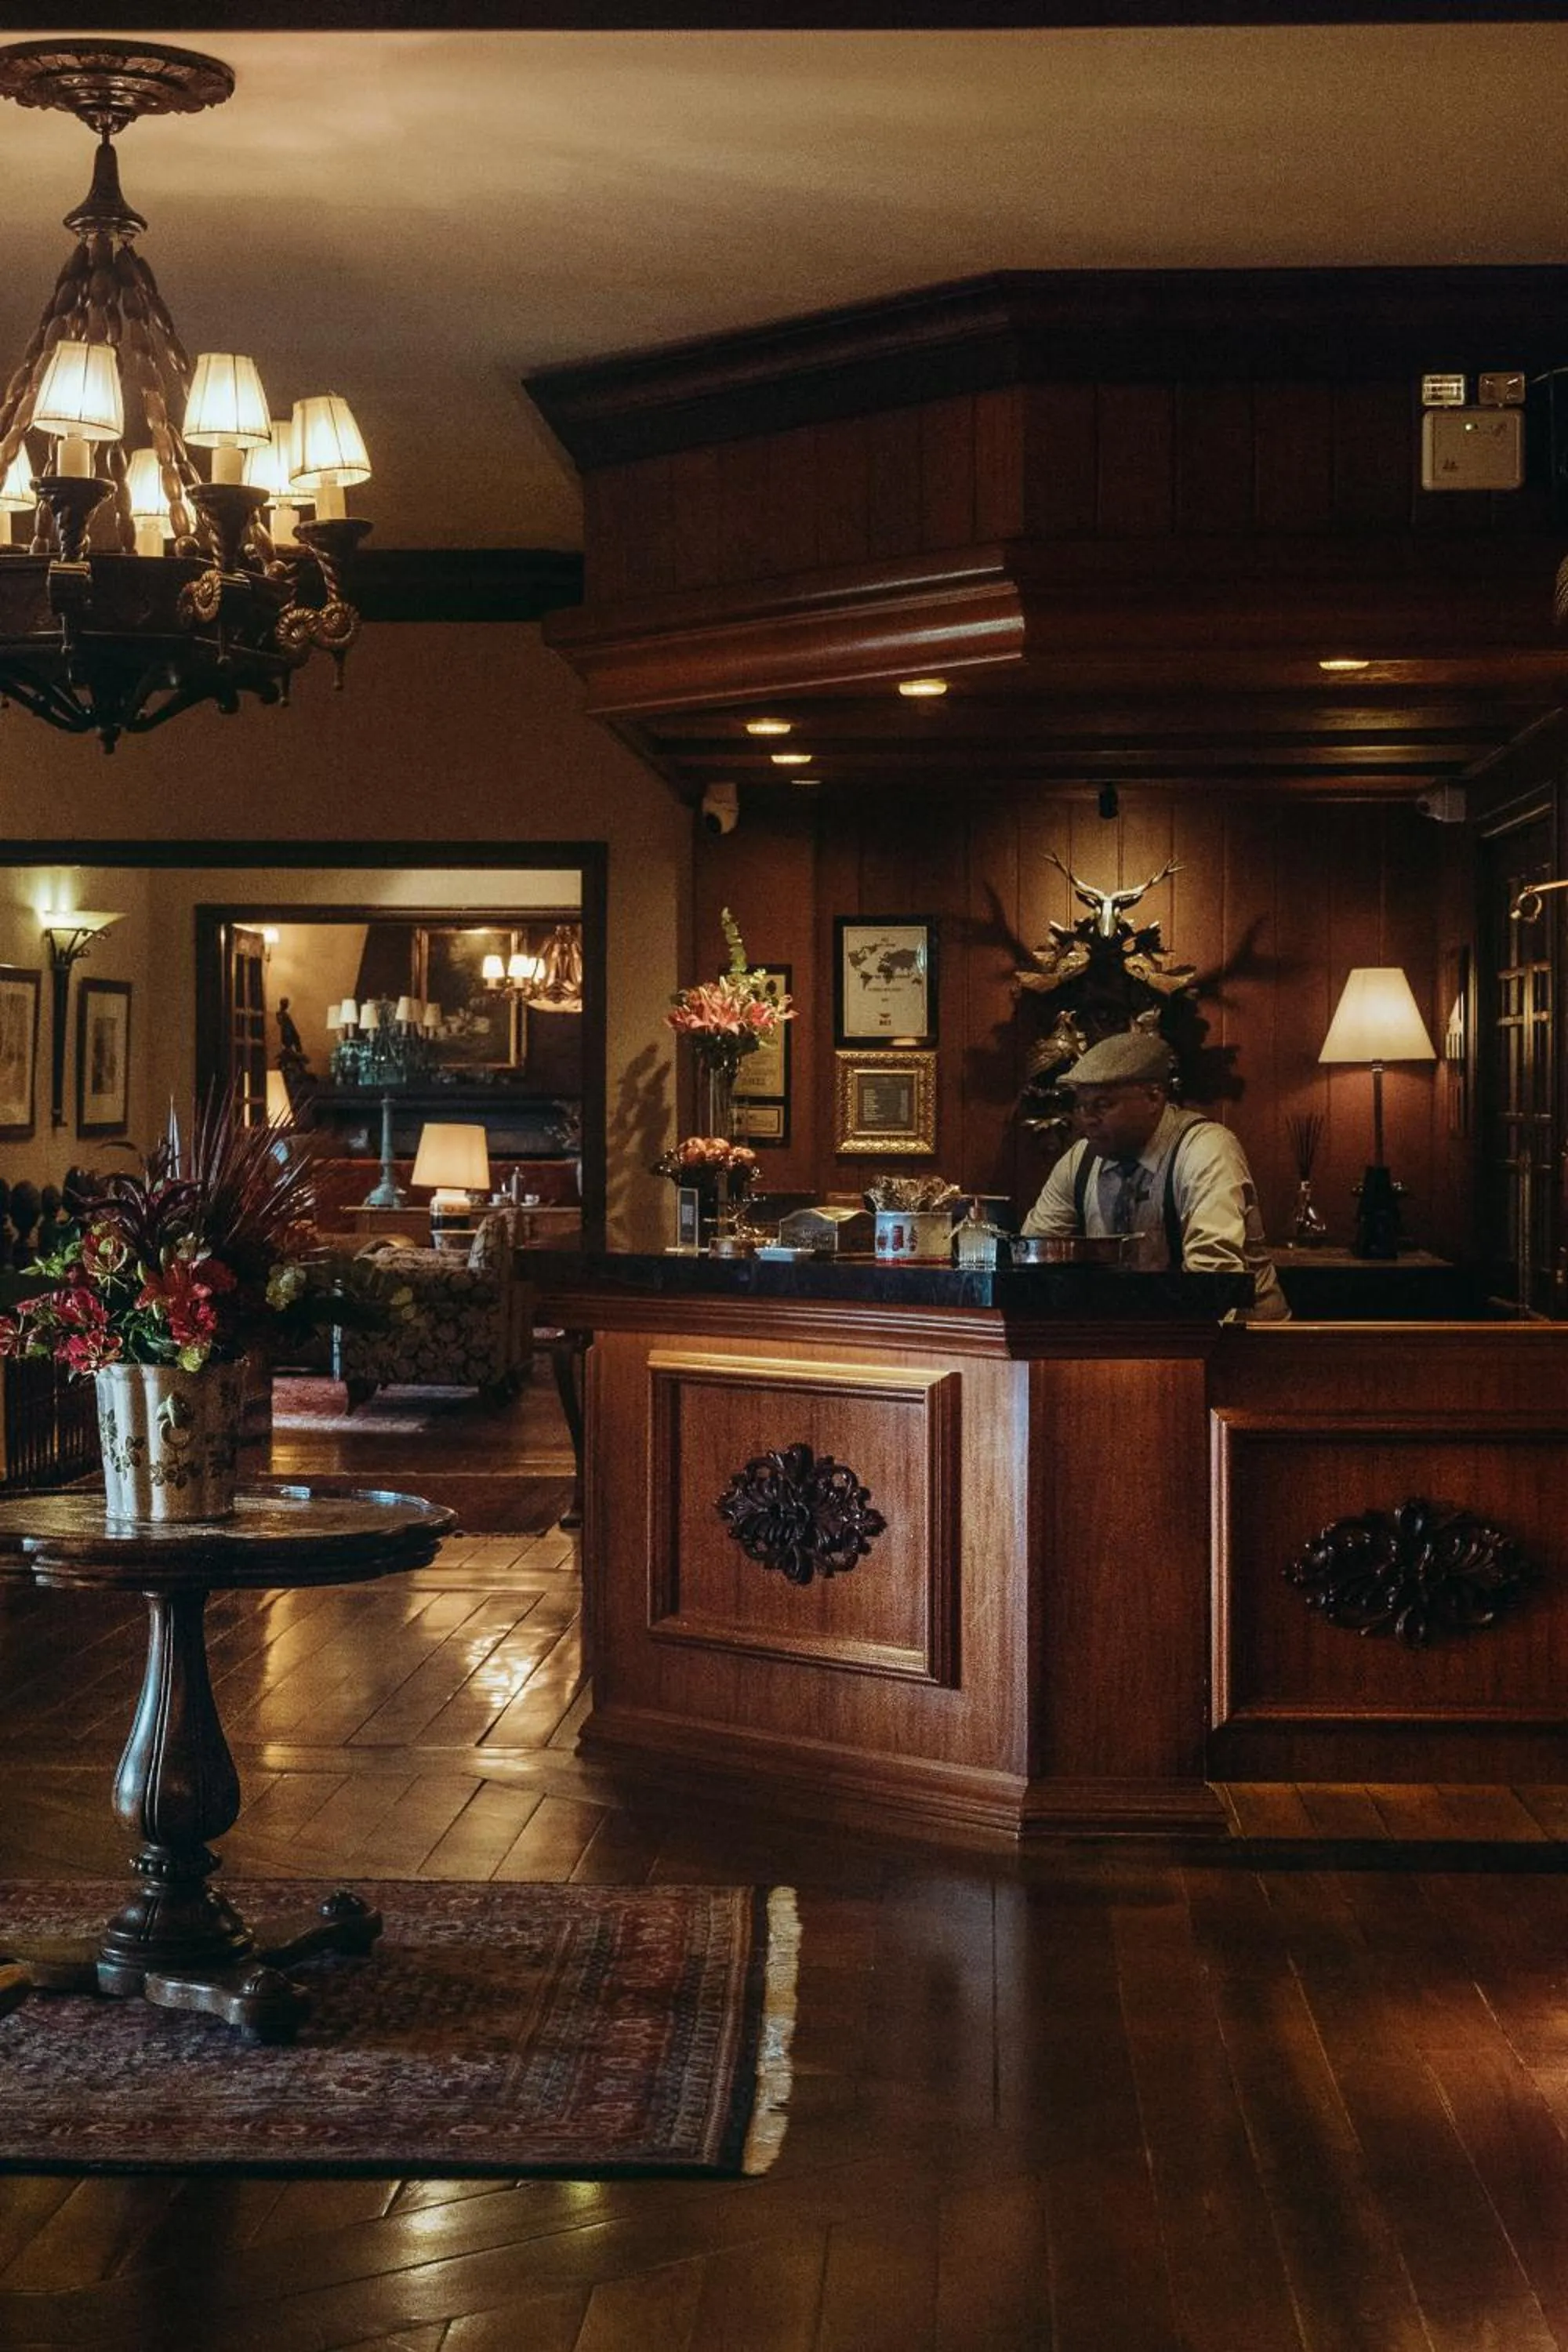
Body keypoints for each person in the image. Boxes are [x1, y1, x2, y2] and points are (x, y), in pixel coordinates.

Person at [1021, 1030, 1288, 1320]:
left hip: (1246, 1347)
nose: (1087, 1119)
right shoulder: (1080, 1159)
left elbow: (1213, 1281)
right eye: (1081, 1106)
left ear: (1153, 1097)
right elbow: (1031, 1256)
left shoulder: (1205, 1149)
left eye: (1103, 1105)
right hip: (1144, 1344)